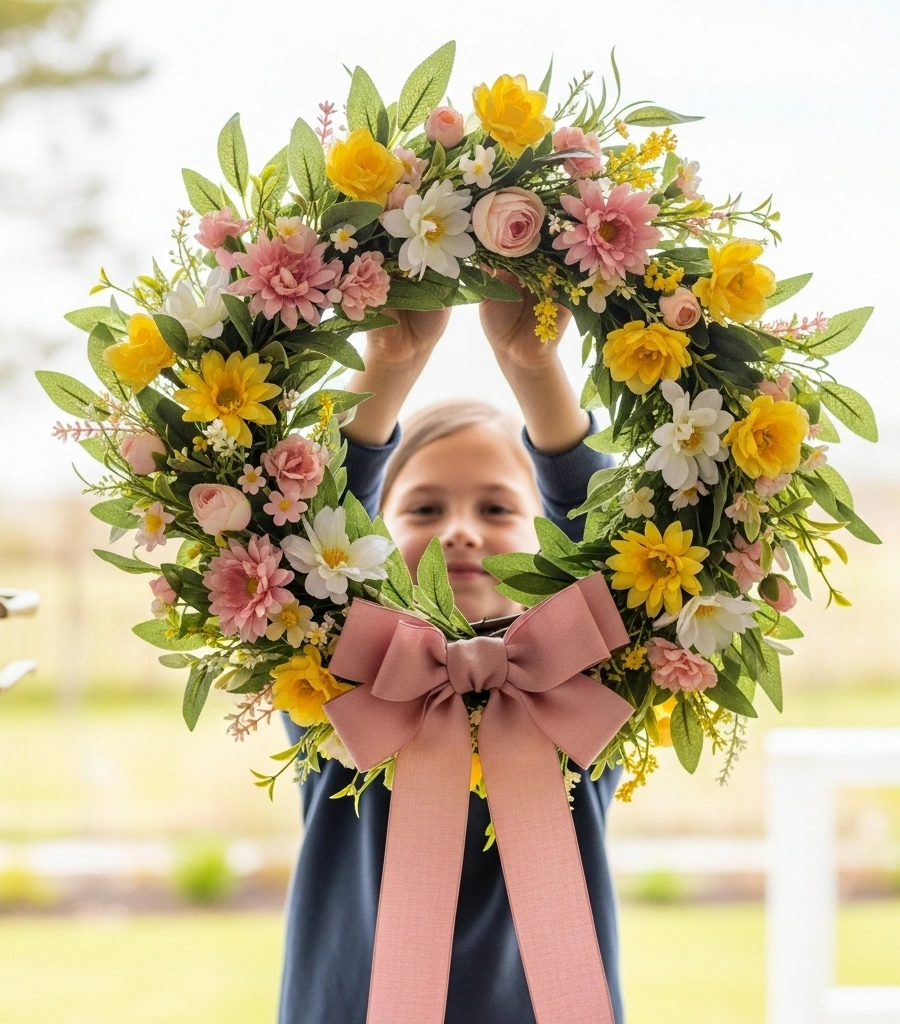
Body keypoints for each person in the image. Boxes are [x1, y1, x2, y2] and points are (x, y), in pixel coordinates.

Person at [277, 273, 624, 1024]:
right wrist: (389, 364)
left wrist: (535, 368)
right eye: (426, 507)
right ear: (369, 536)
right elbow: (302, 532)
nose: (461, 530)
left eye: (496, 507)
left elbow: (608, 542)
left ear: (545, 535)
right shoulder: (332, 669)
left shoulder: (590, 669)